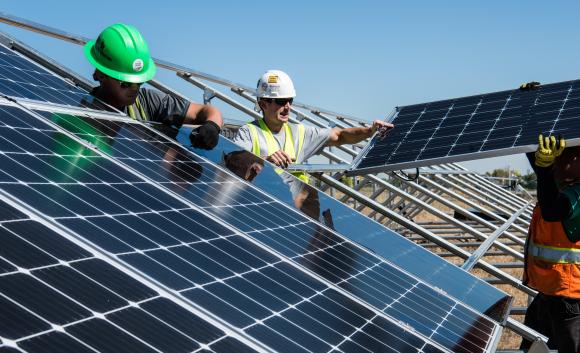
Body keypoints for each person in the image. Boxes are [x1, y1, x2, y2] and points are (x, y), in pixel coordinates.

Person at [233, 69, 394, 181]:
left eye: (290, 100)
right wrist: (265, 161)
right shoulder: (248, 133)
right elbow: (233, 166)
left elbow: (340, 136)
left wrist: (370, 130)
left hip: (294, 209)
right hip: (262, 210)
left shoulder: (300, 133)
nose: (288, 106)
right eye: (281, 101)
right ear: (263, 104)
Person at [84, 23, 223, 149]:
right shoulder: (82, 113)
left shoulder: (148, 101)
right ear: (101, 75)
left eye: (139, 82)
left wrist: (212, 126)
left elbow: (206, 111)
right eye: (126, 83)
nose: (134, 89)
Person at [521, 132, 580, 352]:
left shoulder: (577, 194)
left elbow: (552, 210)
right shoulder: (564, 185)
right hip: (550, 292)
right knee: (530, 346)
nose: (559, 159)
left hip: (570, 297)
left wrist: (545, 169)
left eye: (566, 155)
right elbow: (542, 171)